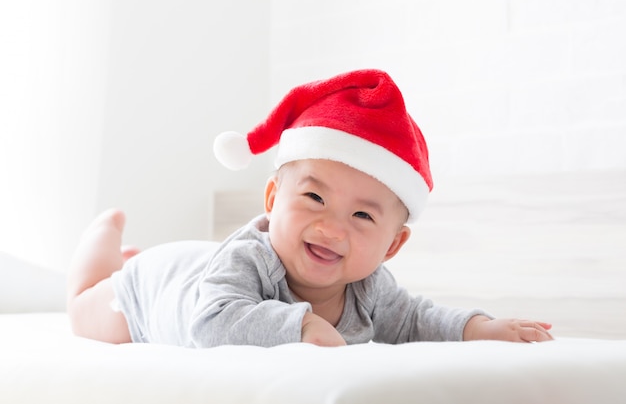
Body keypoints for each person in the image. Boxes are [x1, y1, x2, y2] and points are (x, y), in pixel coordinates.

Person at [66, 69, 553, 347]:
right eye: (315, 198)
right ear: (273, 199)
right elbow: (211, 322)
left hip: (195, 264)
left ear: (393, 244)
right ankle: (103, 245)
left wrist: (480, 329)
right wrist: (300, 325)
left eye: (362, 216)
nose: (331, 228)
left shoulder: (370, 289)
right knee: (89, 314)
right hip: (155, 288)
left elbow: (414, 320)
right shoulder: (248, 262)